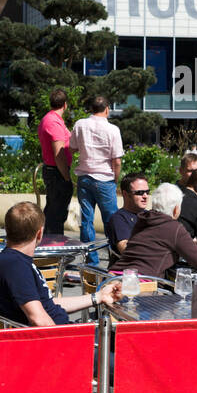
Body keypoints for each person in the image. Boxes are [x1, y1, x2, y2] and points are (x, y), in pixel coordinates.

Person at [0, 202, 119, 327]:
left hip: (59, 333)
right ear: (39, 233)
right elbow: (38, 319)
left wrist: (98, 296)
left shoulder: (12, 261)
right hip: (56, 341)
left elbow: (48, 304)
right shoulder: (15, 266)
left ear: (7, 229)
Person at [110, 183, 197, 279]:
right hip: (140, 283)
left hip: (113, 275)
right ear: (176, 209)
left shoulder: (143, 218)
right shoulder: (174, 228)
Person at [70, 95, 124, 266]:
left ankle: (90, 261)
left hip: (85, 177)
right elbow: (117, 160)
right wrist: (116, 180)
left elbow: (72, 147)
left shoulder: (80, 124)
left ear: (91, 109)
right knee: (112, 222)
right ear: (107, 109)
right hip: (105, 179)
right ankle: (114, 259)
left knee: (86, 220)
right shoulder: (113, 129)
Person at [37, 88, 73, 237]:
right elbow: (59, 153)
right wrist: (66, 176)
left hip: (54, 170)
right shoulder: (54, 122)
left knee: (53, 212)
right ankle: (53, 249)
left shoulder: (51, 119)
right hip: (56, 172)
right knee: (56, 216)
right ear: (65, 105)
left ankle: (50, 248)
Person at [105, 174, 150, 254]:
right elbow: (126, 250)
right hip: (131, 265)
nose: (145, 196)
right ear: (125, 194)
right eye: (140, 192)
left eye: (147, 192)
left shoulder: (150, 215)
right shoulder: (118, 219)